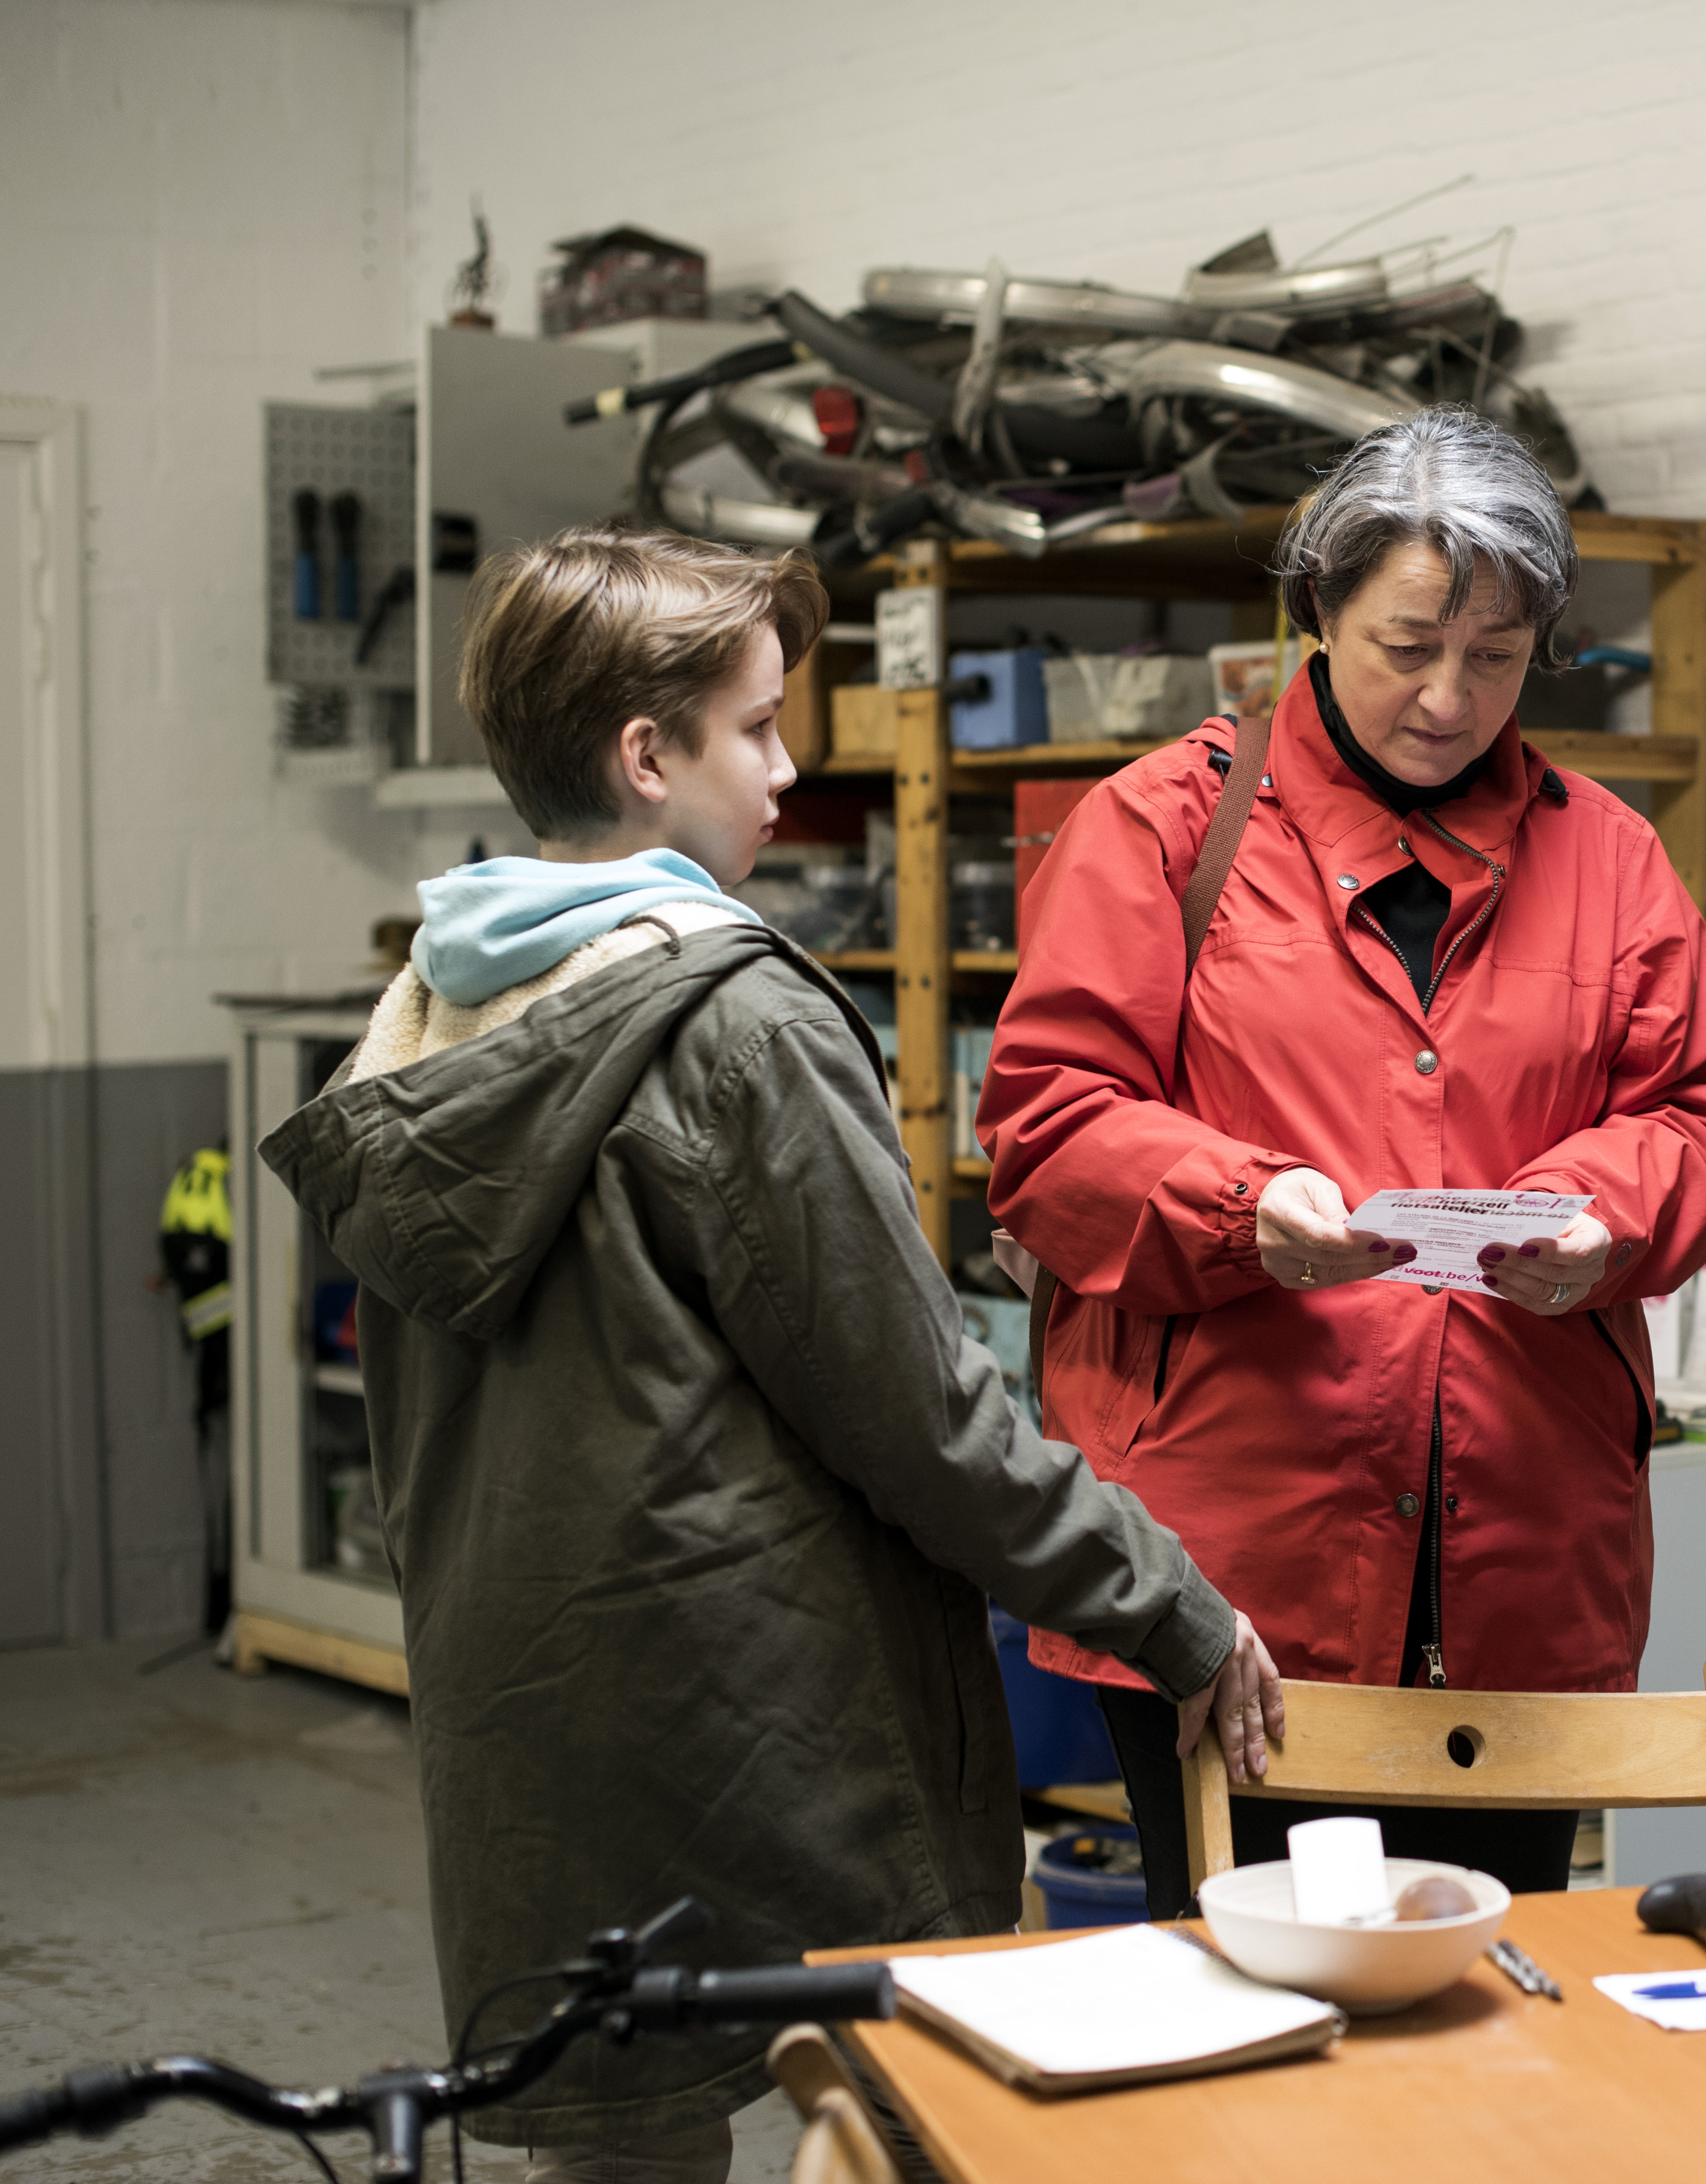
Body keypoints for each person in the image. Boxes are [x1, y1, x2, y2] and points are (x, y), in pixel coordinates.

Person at [259, 527, 1281, 2183]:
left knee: (625, 2130)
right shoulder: (739, 1020)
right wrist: (1170, 1606)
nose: (793, 769)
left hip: (530, 1720)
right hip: (779, 1719)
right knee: (908, 2111)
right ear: (647, 756)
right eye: (757, 727)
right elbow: (929, 1421)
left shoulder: (427, 1012)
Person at [981, 407, 1706, 1917]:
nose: (1449, 697)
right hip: (1231, 1557)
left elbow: (1699, 1118)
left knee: (1489, 2019)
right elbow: (1048, 1123)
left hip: (1519, 1557)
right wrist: (1240, 1206)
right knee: (1248, 2015)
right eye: (1407, 644)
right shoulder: (1160, 830)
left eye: (1498, 654)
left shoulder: (1607, 856)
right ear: (1316, 616)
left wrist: (1603, 1223)